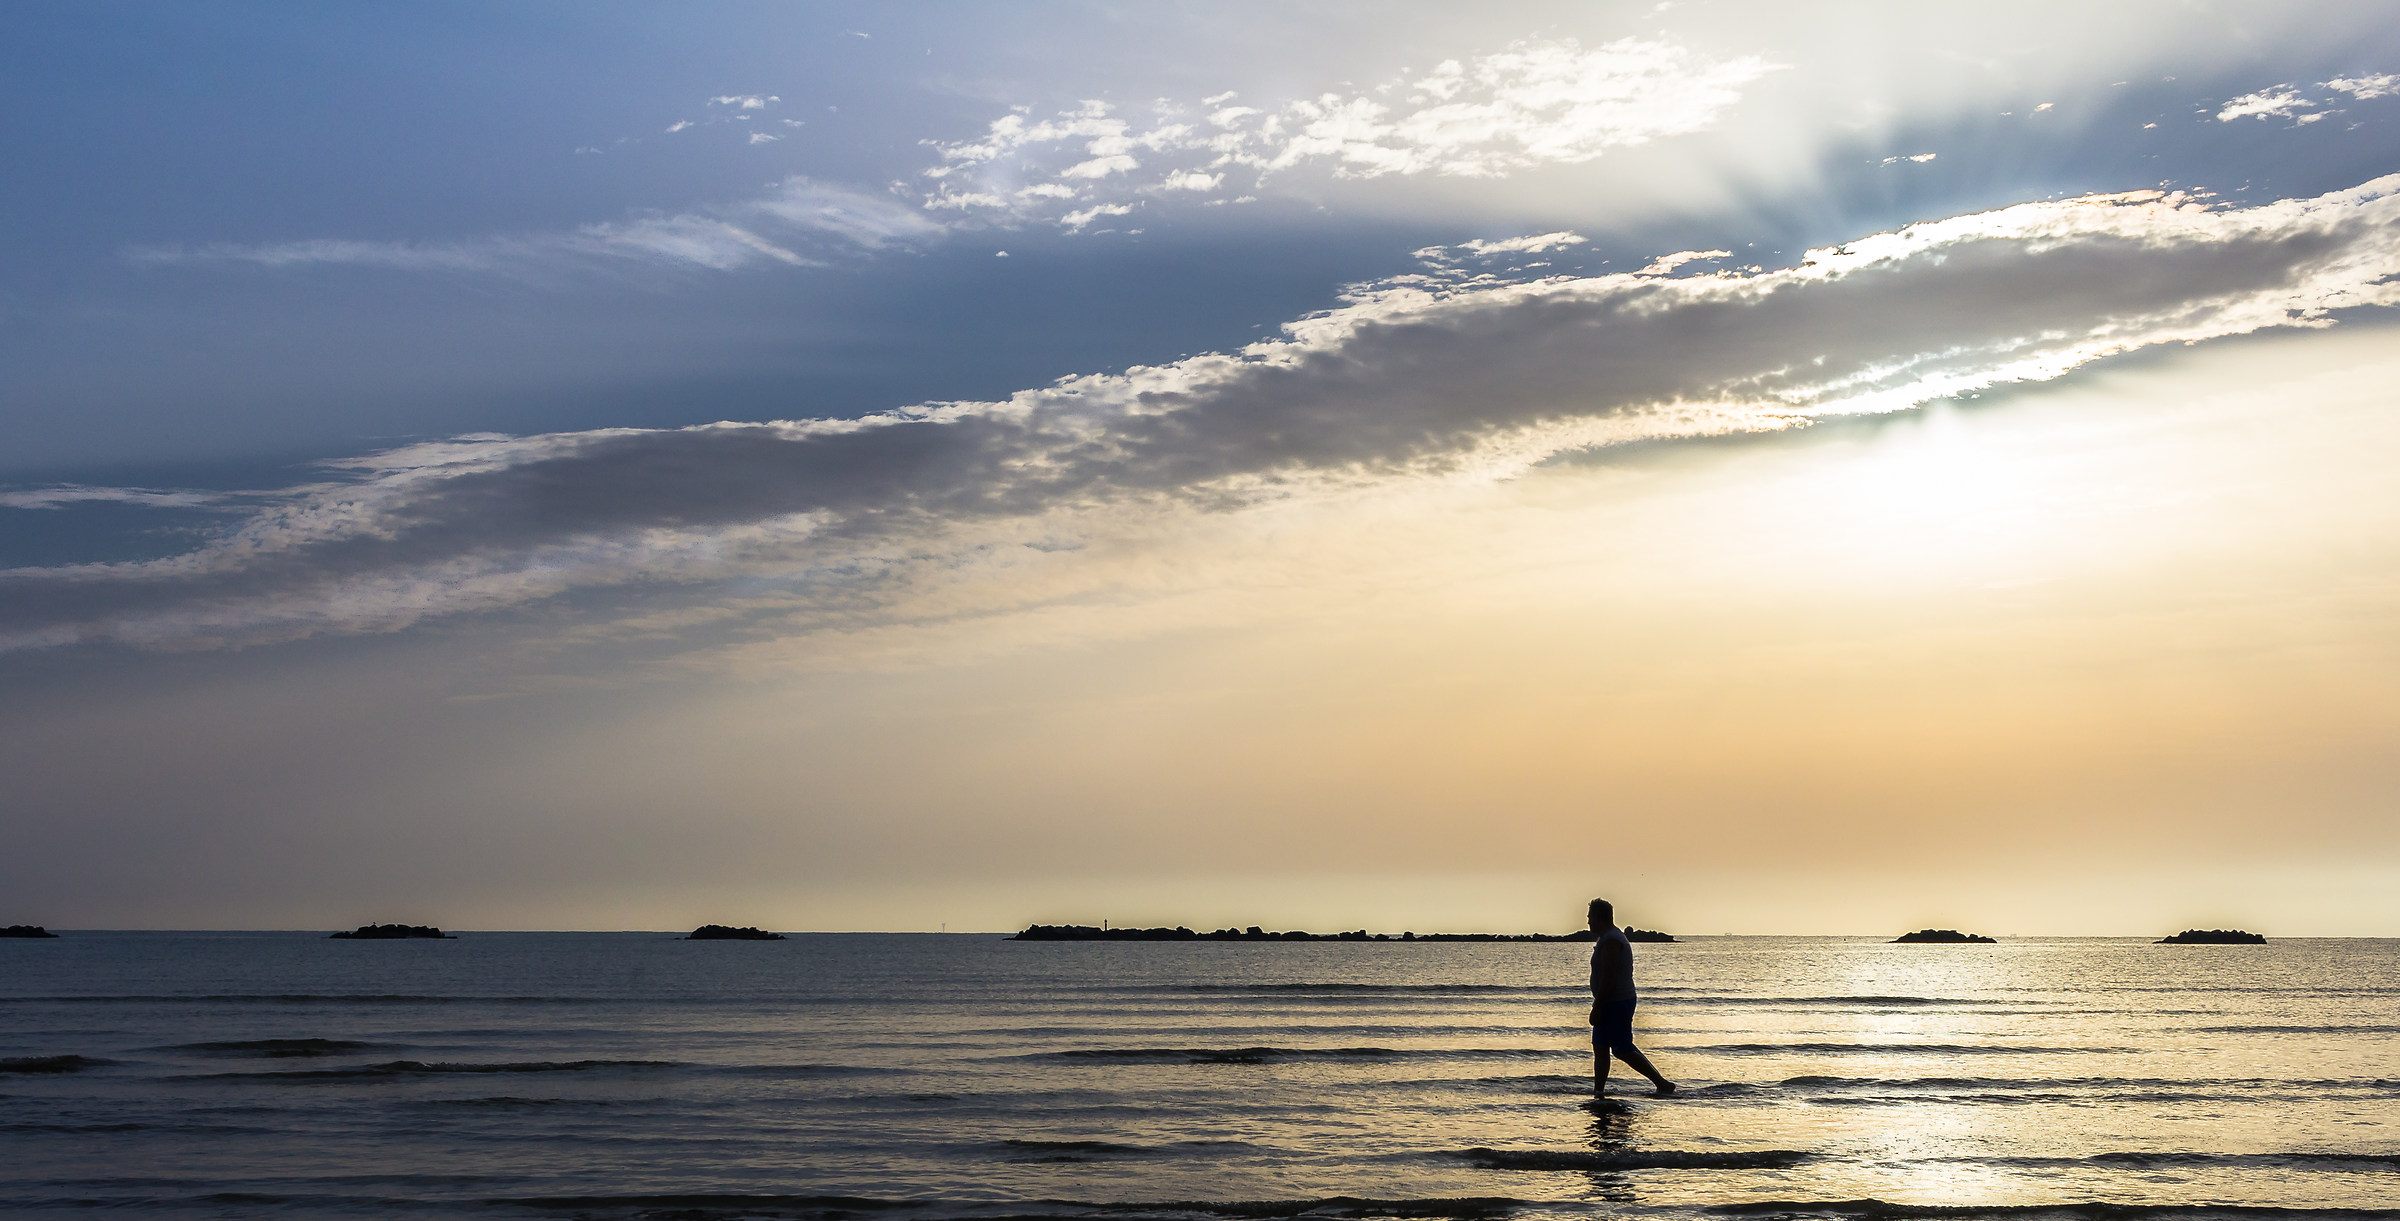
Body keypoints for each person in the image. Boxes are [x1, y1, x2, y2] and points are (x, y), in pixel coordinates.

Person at [1588, 897, 1674, 1097]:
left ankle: (1662, 1083)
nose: (1588, 922)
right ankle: (1598, 1092)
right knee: (1600, 1047)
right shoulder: (1606, 938)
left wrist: (1597, 1006)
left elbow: (1609, 977)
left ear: (1600, 918)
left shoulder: (1611, 940)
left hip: (1616, 1001)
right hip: (1608, 1000)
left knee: (1621, 1048)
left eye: (1590, 917)